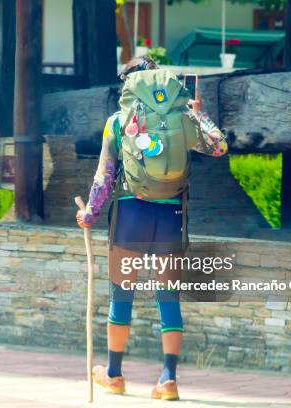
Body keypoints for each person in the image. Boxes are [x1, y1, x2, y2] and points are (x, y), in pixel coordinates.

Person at [76, 56, 227, 401]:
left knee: (122, 295)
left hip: (130, 215)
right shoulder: (183, 120)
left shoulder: (116, 123)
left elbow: (104, 177)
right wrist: (198, 113)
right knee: (168, 297)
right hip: (170, 216)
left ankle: (114, 374)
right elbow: (218, 146)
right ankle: (168, 380)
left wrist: (90, 215)